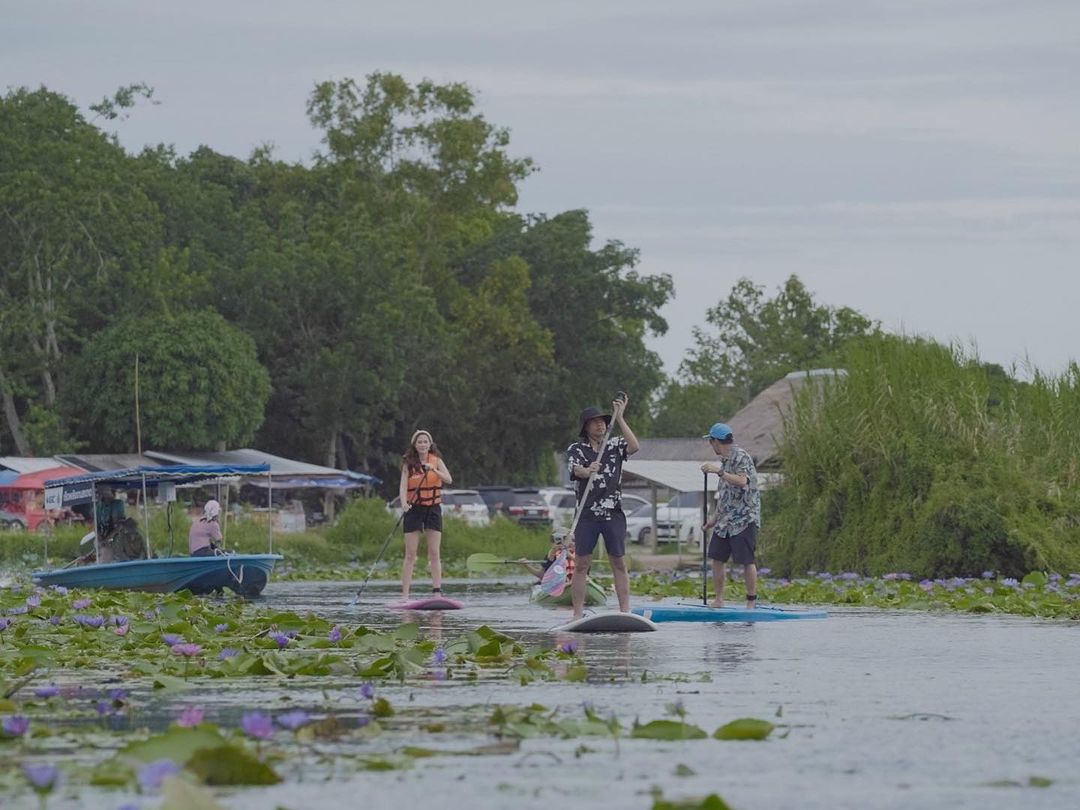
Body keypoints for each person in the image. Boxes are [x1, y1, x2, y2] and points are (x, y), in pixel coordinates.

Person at [565, 393, 640, 619]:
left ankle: (624, 610)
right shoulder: (577, 449)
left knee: (617, 560)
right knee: (581, 564)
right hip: (587, 514)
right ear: (586, 427)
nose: (600, 424)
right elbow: (576, 469)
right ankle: (577, 614)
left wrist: (621, 418)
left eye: (603, 421)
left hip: (612, 513)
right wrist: (587, 471)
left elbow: (635, 446)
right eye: (595, 422)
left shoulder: (615, 445)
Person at [700, 422, 761, 609]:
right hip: (725, 521)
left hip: (744, 518)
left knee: (746, 560)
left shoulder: (741, 457)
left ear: (716, 441)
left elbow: (742, 481)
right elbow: (725, 497)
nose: (711, 446)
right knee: (717, 558)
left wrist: (719, 472)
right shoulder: (725, 462)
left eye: (711, 442)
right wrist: (713, 521)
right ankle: (719, 599)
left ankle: (751, 601)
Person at [399, 429, 453, 601]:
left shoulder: (436, 461)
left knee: (434, 552)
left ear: (430, 444)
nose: (423, 444)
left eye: (425, 442)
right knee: (410, 553)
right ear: (415, 445)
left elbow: (448, 479)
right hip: (414, 509)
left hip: (433, 508)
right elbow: (402, 486)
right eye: (420, 442)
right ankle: (405, 595)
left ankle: (437, 592)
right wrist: (403, 503)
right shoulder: (408, 464)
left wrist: (434, 470)